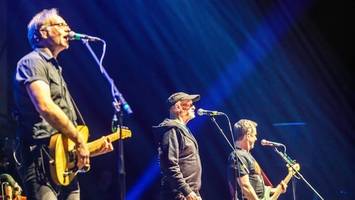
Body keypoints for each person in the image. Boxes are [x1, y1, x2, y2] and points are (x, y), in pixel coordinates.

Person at [13, 8, 113, 200]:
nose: (69, 29)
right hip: (40, 159)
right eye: (61, 25)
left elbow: (61, 133)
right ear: (43, 32)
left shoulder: (55, 68)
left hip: (64, 165)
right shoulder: (32, 62)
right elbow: (45, 106)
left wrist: (88, 149)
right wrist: (79, 139)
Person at [153, 92, 202, 200]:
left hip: (189, 193)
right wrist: (186, 191)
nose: (193, 107)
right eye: (189, 104)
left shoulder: (182, 130)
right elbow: (170, 165)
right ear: (178, 107)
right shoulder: (171, 130)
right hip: (179, 195)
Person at [227, 119, 287, 200]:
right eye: (254, 135)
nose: (256, 138)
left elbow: (256, 186)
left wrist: (276, 190)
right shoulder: (238, 155)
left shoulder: (247, 155)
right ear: (248, 135)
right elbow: (245, 187)